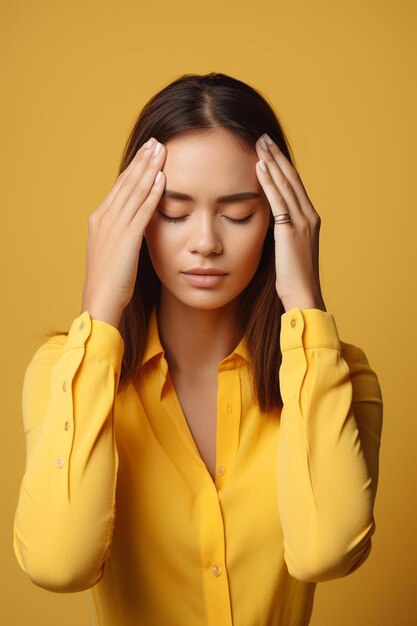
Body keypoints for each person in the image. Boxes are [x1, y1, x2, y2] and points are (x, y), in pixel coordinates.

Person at [13, 72, 383, 626]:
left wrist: (305, 300)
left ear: (281, 223)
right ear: (132, 221)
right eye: (174, 212)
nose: (206, 242)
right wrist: (98, 311)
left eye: (237, 214)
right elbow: (57, 564)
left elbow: (327, 551)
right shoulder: (64, 374)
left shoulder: (337, 374)